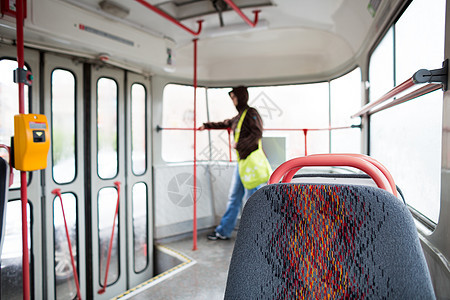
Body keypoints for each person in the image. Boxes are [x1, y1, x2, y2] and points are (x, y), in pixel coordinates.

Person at [198, 86, 265, 240]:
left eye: (234, 97)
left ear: (240, 97)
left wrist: (240, 145)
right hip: (242, 164)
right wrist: (206, 126)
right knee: (235, 197)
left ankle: (256, 234)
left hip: (251, 164)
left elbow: (257, 134)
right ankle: (223, 231)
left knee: (252, 200)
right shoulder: (239, 116)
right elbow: (226, 123)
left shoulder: (251, 113)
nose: (233, 100)